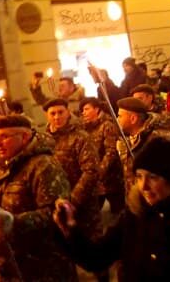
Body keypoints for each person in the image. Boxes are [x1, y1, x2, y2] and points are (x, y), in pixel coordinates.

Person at [53, 137, 170, 281]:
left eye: (153, 177)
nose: (143, 186)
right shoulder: (135, 215)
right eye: (139, 176)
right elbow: (97, 257)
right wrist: (70, 230)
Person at [0, 115, 76, 281]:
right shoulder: (4, 167)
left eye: (4, 137)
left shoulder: (44, 166)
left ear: (25, 137)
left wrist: (15, 222)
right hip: (12, 264)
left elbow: (55, 215)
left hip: (42, 267)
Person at [42, 99, 101, 239]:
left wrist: (72, 201)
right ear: (46, 115)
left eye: (61, 112)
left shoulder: (81, 137)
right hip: (55, 208)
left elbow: (91, 171)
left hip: (83, 207)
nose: (57, 117)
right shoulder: (43, 141)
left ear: (68, 112)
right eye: (53, 113)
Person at [116, 97, 170, 193]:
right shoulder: (126, 138)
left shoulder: (156, 141)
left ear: (133, 118)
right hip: (134, 197)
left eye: (120, 116)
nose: (117, 119)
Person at [81, 98, 125, 217]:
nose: (83, 112)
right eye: (82, 110)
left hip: (111, 178)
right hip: (96, 181)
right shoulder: (86, 128)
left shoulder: (107, 125)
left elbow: (111, 152)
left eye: (87, 109)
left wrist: (99, 171)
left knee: (119, 212)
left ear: (97, 109)